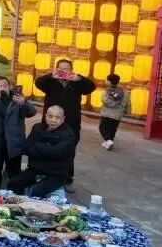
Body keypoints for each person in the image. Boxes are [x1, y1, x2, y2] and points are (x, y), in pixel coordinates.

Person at [36, 59, 96, 188]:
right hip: (50, 123)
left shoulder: (76, 83)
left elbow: (91, 87)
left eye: (67, 69)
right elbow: (38, 83)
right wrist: (50, 76)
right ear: (56, 69)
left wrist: (79, 79)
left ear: (71, 70)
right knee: (47, 148)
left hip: (71, 123)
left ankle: (67, 178)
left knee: (69, 151)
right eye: (61, 69)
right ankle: (46, 175)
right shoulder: (50, 82)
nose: (64, 71)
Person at [8, 105, 77, 197]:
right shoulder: (38, 128)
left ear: (63, 119)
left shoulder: (67, 134)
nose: (53, 120)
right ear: (46, 116)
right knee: (13, 183)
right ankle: (19, 202)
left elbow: (57, 153)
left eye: (57, 117)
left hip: (56, 174)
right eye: (50, 116)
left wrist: (38, 146)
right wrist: (48, 148)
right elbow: (26, 148)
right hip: (35, 170)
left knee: (37, 191)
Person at [0, 76, 38, 179]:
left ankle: (12, 188)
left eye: (4, 86)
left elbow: (32, 112)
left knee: (14, 174)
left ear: (10, 87)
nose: (1, 89)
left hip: (13, 144)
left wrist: (24, 103)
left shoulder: (17, 100)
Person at [99, 74, 130, 151]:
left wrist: (114, 104)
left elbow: (104, 100)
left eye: (106, 80)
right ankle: (109, 142)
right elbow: (128, 102)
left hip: (107, 114)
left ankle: (108, 140)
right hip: (118, 114)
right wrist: (127, 111)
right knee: (112, 129)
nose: (105, 81)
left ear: (109, 82)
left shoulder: (107, 91)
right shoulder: (124, 91)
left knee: (102, 128)